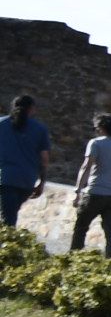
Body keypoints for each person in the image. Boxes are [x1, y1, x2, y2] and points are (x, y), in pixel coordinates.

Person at [69, 115, 111, 256]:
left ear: (102, 128)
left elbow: (86, 167)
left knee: (81, 227)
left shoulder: (96, 143)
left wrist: (78, 191)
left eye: (96, 128)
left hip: (95, 192)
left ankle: (73, 258)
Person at [0, 95, 49, 228]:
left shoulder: (2, 124)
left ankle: (7, 245)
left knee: (8, 219)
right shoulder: (40, 129)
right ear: (31, 109)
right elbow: (44, 159)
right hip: (26, 181)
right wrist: (42, 183)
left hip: (4, 178)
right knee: (9, 215)